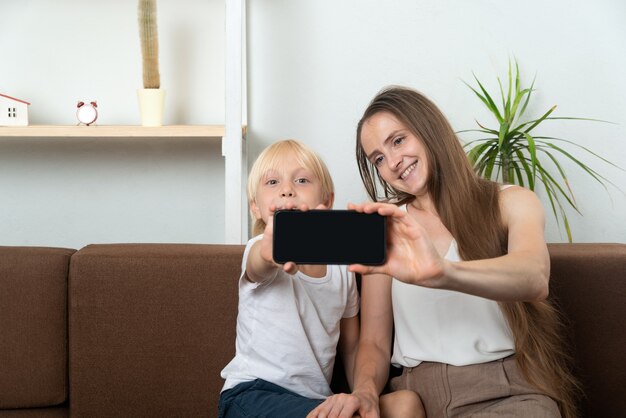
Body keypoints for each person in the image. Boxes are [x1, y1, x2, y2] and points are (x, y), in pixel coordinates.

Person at [308, 87, 580, 418]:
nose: (393, 162)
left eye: (398, 140)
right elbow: (375, 343)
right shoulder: (386, 226)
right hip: (414, 399)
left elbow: (533, 276)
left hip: (507, 394)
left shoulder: (511, 202)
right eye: (378, 158)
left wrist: (443, 272)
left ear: (428, 128)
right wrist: (365, 391)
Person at [219, 139, 424, 418]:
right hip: (253, 394)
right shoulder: (259, 248)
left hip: (314, 400)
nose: (287, 190)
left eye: (302, 180)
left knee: (406, 404)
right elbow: (257, 266)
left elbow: (351, 348)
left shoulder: (343, 269)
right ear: (256, 208)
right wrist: (269, 253)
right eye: (272, 183)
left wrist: (362, 398)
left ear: (327, 200)